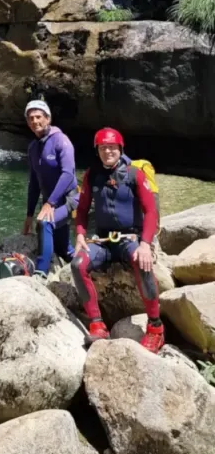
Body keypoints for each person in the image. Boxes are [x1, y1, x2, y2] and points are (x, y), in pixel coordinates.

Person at [71, 127, 165, 352]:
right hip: (103, 240)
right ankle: (97, 324)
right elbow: (82, 209)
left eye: (112, 147)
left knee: (142, 262)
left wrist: (145, 244)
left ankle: (155, 327)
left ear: (120, 149)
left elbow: (150, 211)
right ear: (98, 151)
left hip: (129, 237)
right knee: (77, 265)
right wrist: (81, 235)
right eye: (103, 148)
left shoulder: (134, 174)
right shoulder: (92, 175)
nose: (108, 151)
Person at [22, 100, 79, 278]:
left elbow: (68, 174)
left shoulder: (61, 141)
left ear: (48, 118)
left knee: (45, 222)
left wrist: (50, 203)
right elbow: (34, 184)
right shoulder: (33, 148)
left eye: (38, 117)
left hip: (69, 200)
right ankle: (82, 265)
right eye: (30, 118)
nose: (34, 121)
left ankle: (41, 272)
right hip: (52, 202)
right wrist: (29, 215)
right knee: (63, 249)